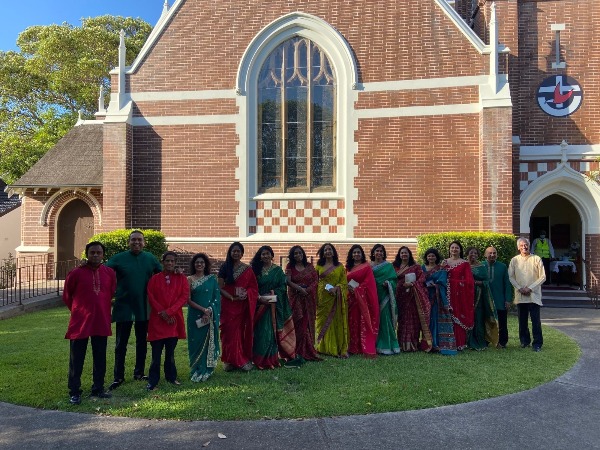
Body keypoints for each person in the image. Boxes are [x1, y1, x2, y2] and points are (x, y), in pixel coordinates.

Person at [107, 230, 162, 390]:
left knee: (141, 342)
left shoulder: (150, 258)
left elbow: (163, 274)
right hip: (124, 306)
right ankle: (118, 376)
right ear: (128, 242)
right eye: (133, 240)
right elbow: (103, 272)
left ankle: (139, 372)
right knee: (120, 344)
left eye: (139, 240)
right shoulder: (118, 258)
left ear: (144, 242)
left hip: (143, 307)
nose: (136, 243)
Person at [63, 242, 117, 405]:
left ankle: (98, 388)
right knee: (76, 358)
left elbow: (111, 293)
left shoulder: (109, 273)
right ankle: (74, 391)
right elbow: (67, 296)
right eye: (92, 252)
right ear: (87, 254)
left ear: (103, 255)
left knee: (100, 357)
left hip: (101, 321)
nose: (95, 255)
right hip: (80, 323)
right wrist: (79, 311)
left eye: (98, 253)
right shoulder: (76, 273)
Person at [146, 251, 189, 390]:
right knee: (156, 354)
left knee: (170, 353)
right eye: (167, 261)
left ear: (175, 263)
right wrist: (162, 313)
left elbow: (184, 297)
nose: (169, 263)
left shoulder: (181, 278)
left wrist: (169, 312)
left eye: (172, 261)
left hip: (173, 321)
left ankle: (171, 377)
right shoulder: (154, 279)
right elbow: (151, 296)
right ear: (162, 262)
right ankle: (153, 381)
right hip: (157, 321)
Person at [250, 246, 297, 369]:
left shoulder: (277, 271)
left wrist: (271, 294)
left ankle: (269, 359)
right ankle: (258, 358)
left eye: (267, 254)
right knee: (259, 333)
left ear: (272, 256)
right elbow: (251, 286)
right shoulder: (255, 270)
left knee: (269, 333)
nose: (265, 256)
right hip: (259, 305)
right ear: (260, 256)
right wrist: (259, 296)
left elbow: (282, 287)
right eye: (262, 254)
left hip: (272, 307)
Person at [218, 242, 258, 371]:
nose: (236, 253)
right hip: (228, 305)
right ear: (230, 253)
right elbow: (220, 287)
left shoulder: (247, 269)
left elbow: (253, 287)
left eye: (238, 251)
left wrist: (247, 294)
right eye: (233, 251)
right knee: (227, 333)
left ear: (242, 254)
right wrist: (231, 297)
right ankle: (228, 361)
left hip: (242, 305)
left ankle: (239, 359)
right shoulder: (225, 267)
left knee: (239, 332)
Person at [187, 253, 221, 382]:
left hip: (209, 315)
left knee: (207, 343)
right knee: (195, 342)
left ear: (205, 264)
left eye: (202, 262)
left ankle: (207, 368)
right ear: (194, 265)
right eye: (197, 262)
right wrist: (203, 310)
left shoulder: (212, 279)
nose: (199, 264)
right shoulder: (189, 279)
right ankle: (196, 368)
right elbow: (188, 300)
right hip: (195, 316)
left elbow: (217, 298)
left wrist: (209, 311)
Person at [508, 237, 546, 352]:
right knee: (522, 321)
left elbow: (543, 277)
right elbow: (511, 276)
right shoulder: (514, 260)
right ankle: (524, 341)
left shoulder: (536, 259)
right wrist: (520, 288)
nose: (524, 247)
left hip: (533, 295)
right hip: (520, 296)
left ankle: (537, 343)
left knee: (536, 321)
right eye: (522, 245)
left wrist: (530, 288)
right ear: (518, 247)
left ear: (529, 246)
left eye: (526, 245)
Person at [393, 246, 432, 352]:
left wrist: (411, 284)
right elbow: (391, 279)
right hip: (400, 297)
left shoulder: (416, 267)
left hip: (412, 297)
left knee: (412, 320)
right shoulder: (394, 266)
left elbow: (422, 279)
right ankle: (402, 344)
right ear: (399, 255)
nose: (404, 255)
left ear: (409, 254)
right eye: (402, 253)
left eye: (406, 253)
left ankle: (412, 344)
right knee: (401, 320)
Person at [285, 245, 321, 361]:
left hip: (308, 299)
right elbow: (288, 281)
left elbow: (316, 280)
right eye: (295, 253)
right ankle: (296, 351)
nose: (298, 255)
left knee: (307, 324)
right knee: (298, 324)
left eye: (300, 253)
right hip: (296, 300)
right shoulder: (290, 267)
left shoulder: (309, 266)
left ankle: (308, 350)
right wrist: (300, 289)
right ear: (292, 256)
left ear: (303, 254)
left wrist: (307, 290)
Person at [315, 243, 349, 357]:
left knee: (335, 322)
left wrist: (336, 288)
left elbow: (344, 282)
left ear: (334, 252)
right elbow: (315, 281)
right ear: (322, 253)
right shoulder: (318, 266)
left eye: (330, 249)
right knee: (321, 321)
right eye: (325, 250)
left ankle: (334, 347)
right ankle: (321, 346)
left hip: (335, 298)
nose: (328, 251)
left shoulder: (339, 267)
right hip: (322, 298)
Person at [346, 245, 380, 358]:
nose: (356, 254)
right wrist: (348, 288)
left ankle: (361, 346)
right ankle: (352, 346)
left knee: (361, 322)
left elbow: (369, 283)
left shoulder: (366, 267)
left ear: (362, 254)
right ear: (351, 254)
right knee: (351, 322)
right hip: (350, 299)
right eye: (354, 252)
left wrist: (357, 289)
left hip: (362, 300)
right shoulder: (348, 267)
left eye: (358, 252)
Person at [422, 248, 457, 355]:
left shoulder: (440, 269)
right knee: (426, 320)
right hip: (424, 297)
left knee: (435, 319)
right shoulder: (422, 268)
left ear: (436, 257)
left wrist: (436, 286)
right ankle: (427, 343)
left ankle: (436, 344)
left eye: (433, 256)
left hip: (436, 298)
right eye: (429, 256)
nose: (431, 258)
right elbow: (419, 280)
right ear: (426, 257)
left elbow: (443, 283)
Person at [442, 241, 475, 351]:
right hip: (445, 294)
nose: (454, 249)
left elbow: (469, 281)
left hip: (459, 296)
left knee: (458, 315)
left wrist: (453, 282)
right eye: (452, 248)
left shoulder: (464, 263)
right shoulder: (444, 262)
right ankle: (446, 342)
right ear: (449, 249)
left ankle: (459, 343)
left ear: (460, 250)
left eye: (456, 248)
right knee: (446, 316)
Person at [466, 247, 499, 350]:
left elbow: (486, 281)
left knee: (478, 318)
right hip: (465, 295)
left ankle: (479, 341)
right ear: (467, 254)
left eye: (475, 253)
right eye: (471, 253)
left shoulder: (481, 266)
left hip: (478, 296)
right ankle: (466, 341)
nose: (473, 255)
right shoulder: (463, 265)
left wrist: (477, 283)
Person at [370, 244, 400, 355]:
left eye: (381, 251)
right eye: (377, 251)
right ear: (373, 253)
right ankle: (373, 344)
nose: (379, 253)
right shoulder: (369, 266)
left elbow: (394, 280)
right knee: (373, 320)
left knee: (385, 319)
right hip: (372, 296)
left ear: (384, 253)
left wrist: (388, 283)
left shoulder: (388, 266)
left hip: (385, 296)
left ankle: (387, 344)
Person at [484, 246, 513, 348]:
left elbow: (507, 284)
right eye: (490, 253)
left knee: (502, 322)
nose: (492, 255)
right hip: (485, 300)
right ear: (485, 255)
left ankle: (502, 342)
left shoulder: (502, 266)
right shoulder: (480, 266)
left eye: (494, 253)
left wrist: (508, 299)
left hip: (500, 300)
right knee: (485, 321)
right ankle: (485, 341)